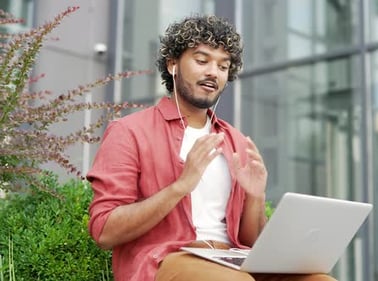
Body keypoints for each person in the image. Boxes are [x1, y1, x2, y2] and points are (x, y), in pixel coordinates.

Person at [87, 14, 338, 281]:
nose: (213, 72)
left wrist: (255, 196)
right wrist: (180, 186)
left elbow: (249, 240)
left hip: (233, 259)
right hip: (167, 259)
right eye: (202, 60)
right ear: (173, 64)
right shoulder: (129, 132)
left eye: (223, 66)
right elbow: (104, 231)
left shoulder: (235, 141)